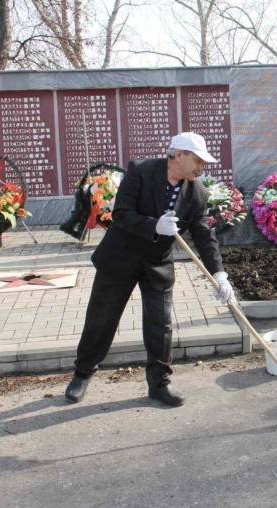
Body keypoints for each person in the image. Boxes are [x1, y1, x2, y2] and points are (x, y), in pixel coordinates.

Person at [64, 132, 235, 407]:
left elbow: (204, 237)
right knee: (102, 318)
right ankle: (82, 373)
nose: (202, 168)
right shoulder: (141, 172)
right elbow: (120, 213)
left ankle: (159, 383)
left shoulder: (197, 193)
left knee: (161, 325)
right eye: (198, 160)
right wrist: (153, 225)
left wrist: (220, 275)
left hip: (157, 263)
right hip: (120, 257)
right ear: (179, 155)